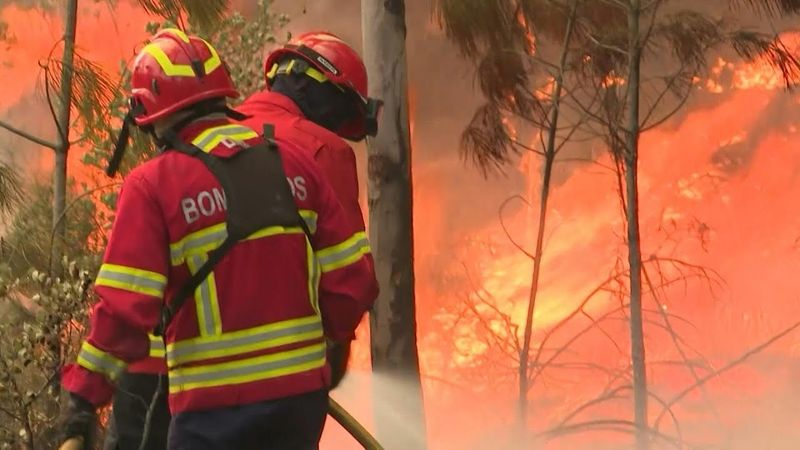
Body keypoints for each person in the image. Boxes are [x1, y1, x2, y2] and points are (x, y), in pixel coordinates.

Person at [59, 28, 378, 450]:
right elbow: (353, 282)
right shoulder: (298, 162)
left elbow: (123, 312)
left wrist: (81, 401)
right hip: (297, 406)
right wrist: (317, 361)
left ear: (150, 114)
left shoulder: (154, 184)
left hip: (210, 411)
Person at [237, 32, 382, 388]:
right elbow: (350, 278)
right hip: (288, 374)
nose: (336, 126)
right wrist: (336, 348)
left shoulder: (206, 137)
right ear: (314, 84)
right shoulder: (324, 150)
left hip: (189, 381)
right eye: (343, 109)